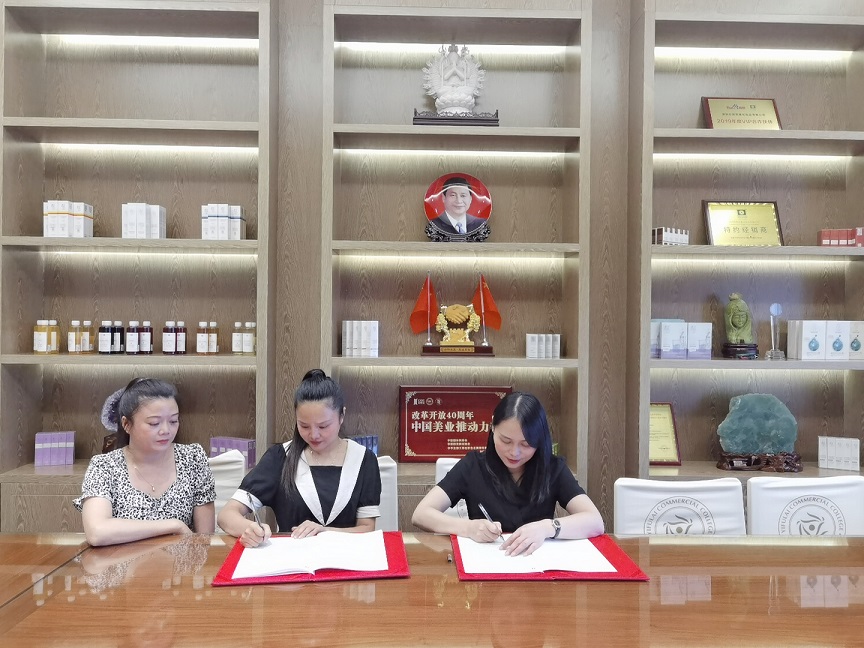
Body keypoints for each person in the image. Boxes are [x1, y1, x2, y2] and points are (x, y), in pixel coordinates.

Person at [412, 391, 604, 556]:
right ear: (492, 427)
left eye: (526, 444)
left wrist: (547, 528)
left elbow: (595, 521)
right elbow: (421, 514)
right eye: (506, 441)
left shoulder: (552, 468)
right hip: (485, 566)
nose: (514, 452)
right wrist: (468, 528)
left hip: (537, 567)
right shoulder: (473, 466)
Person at [218, 369, 381, 547]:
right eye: (304, 426)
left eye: (323, 426)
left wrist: (324, 532)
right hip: (291, 559)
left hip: (348, 558)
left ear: (342, 416)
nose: (314, 435)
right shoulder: (281, 457)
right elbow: (226, 515)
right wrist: (250, 529)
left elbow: (367, 528)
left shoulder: (363, 459)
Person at [74, 378, 216, 547]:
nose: (166, 430)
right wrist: (173, 525)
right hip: (123, 562)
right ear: (126, 424)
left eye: (173, 421)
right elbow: (97, 532)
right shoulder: (104, 466)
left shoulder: (193, 458)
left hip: (181, 563)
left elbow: (204, 540)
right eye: (154, 423)